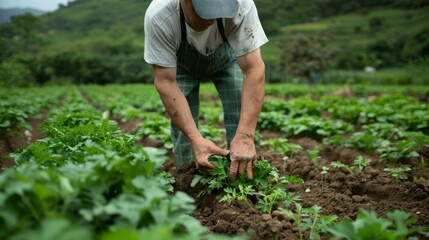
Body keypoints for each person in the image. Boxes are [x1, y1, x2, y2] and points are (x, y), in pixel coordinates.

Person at [144, 0, 267, 179]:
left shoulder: (242, 6)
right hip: (182, 68)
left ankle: (241, 176)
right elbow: (165, 82)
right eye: (205, 11)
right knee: (183, 130)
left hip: (227, 60)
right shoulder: (159, 17)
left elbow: (254, 69)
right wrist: (196, 139)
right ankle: (185, 178)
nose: (211, 20)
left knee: (240, 108)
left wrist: (246, 135)